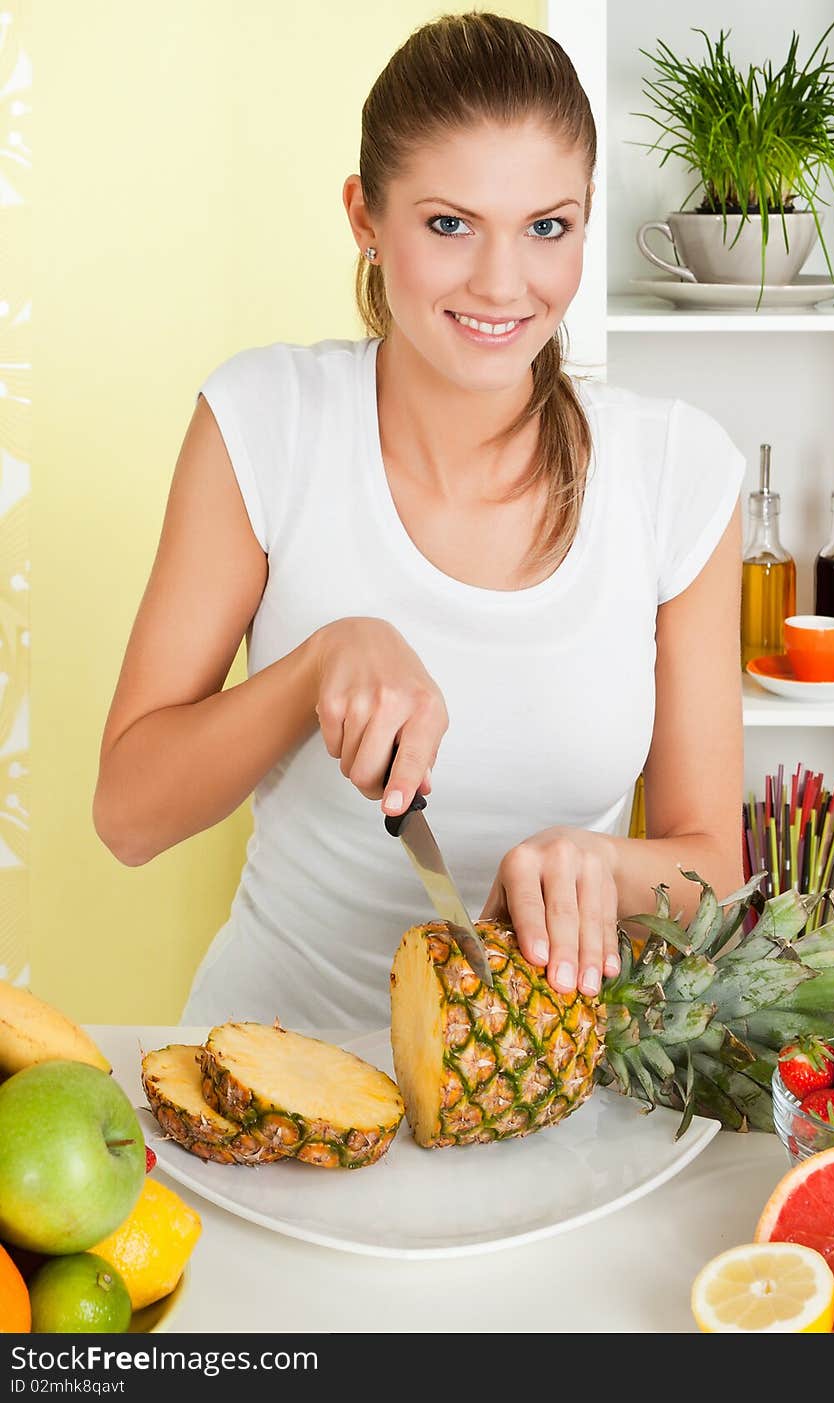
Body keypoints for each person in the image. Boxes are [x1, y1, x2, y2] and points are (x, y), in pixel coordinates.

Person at [92, 12, 745, 1033]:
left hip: (552, 1085)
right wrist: (315, 665)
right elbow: (128, 817)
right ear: (365, 215)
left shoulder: (676, 471)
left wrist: (604, 863)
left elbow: (711, 868)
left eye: (547, 226)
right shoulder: (267, 421)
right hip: (276, 1059)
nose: (502, 283)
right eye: (449, 224)